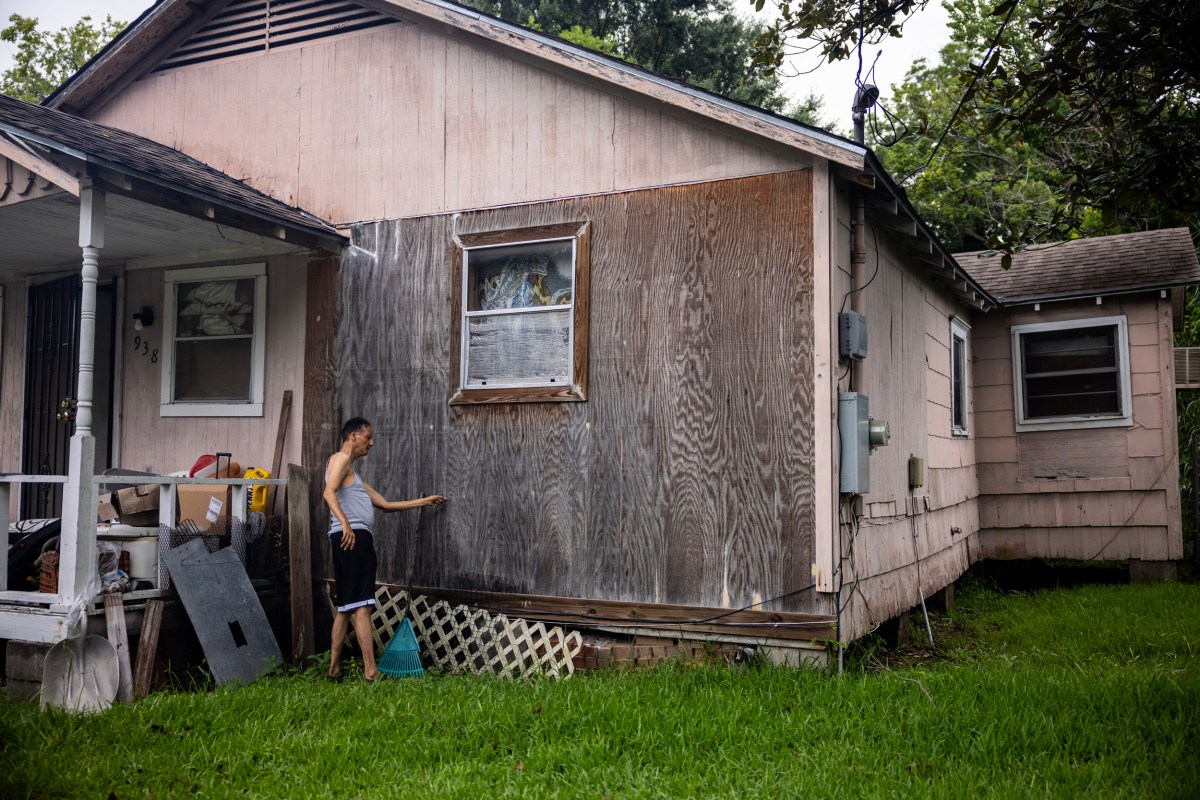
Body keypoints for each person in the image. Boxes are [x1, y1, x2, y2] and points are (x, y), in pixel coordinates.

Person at [323, 417, 446, 682]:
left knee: (346, 606)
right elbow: (328, 492)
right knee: (363, 606)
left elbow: (385, 504)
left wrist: (424, 501)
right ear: (353, 436)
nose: (371, 442)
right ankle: (371, 671)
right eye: (367, 436)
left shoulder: (351, 473)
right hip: (353, 538)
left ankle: (334, 669)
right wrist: (346, 524)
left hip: (345, 538)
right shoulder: (340, 460)